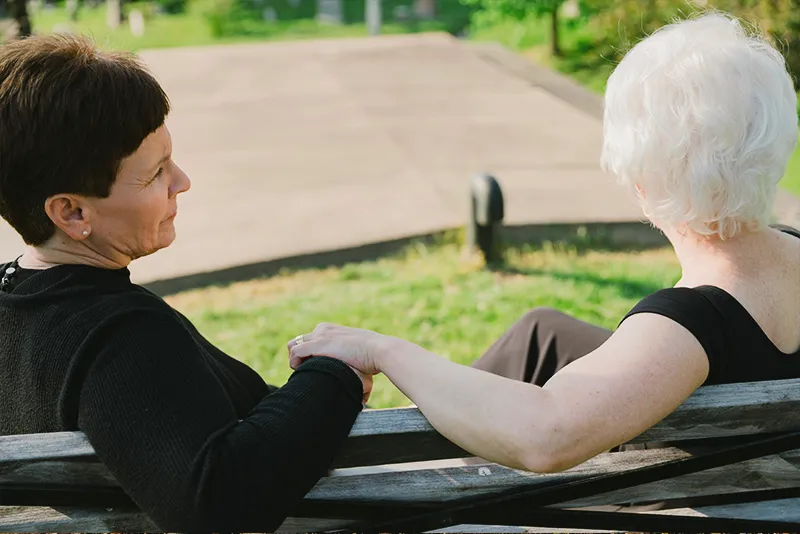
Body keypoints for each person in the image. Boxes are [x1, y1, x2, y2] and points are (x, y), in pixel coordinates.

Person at [289, 13, 800, 476]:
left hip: (688, 495)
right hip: (770, 476)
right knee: (542, 332)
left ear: (642, 180)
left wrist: (383, 349)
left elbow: (545, 436)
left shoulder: (690, 324)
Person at [0, 34, 372, 531]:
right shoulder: (118, 335)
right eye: (155, 173)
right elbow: (215, 500)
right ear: (72, 212)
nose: (182, 181)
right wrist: (334, 375)